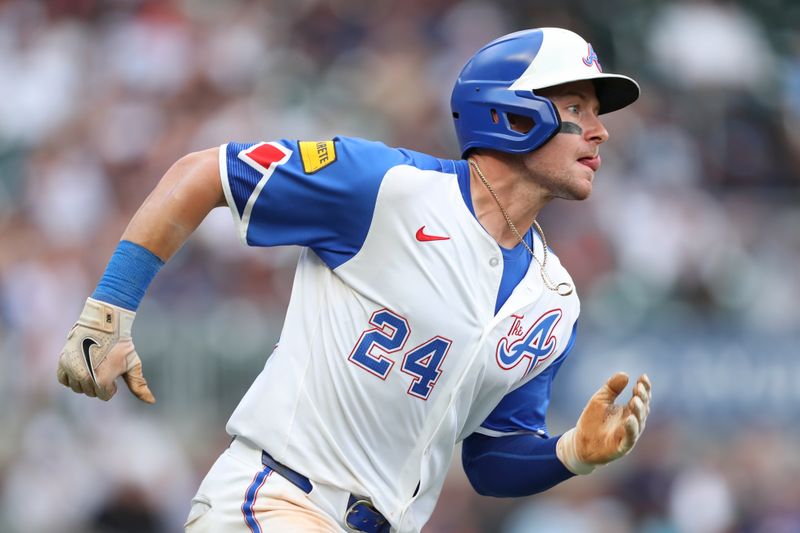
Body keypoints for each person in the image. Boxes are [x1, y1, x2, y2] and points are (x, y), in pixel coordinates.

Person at [56, 27, 652, 533]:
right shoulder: (385, 186)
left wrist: (570, 453)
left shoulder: (556, 300)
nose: (599, 132)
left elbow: (492, 459)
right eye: (577, 110)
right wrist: (108, 312)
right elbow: (204, 173)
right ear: (512, 111)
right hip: (275, 500)